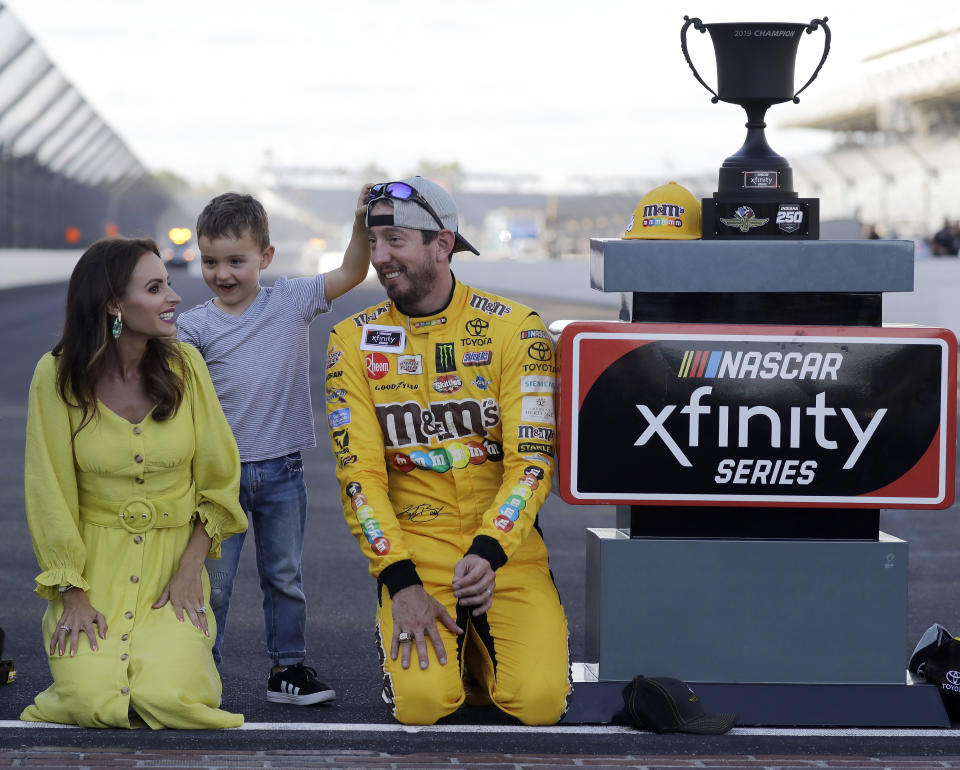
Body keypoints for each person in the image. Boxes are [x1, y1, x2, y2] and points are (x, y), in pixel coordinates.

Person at [325, 177, 570, 725]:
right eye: (374, 241)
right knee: (423, 706)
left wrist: (490, 551)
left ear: (442, 243)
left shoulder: (517, 330)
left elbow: (532, 464)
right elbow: (359, 477)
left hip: (504, 548)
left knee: (539, 703)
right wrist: (400, 581)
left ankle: (480, 654)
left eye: (395, 240)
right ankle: (428, 641)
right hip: (416, 548)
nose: (381, 257)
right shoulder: (351, 340)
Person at [21, 237, 247, 729]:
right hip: (93, 572)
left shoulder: (186, 367)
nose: (175, 297)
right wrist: (72, 594)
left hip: (173, 569)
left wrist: (191, 570)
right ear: (114, 305)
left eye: (167, 284)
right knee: (90, 699)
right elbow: (48, 491)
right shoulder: (55, 375)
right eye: (155, 287)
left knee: (173, 698)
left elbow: (219, 481)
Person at [177, 189, 370, 705]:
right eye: (211, 261)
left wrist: (359, 224)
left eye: (236, 261)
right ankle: (200, 672)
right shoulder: (193, 327)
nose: (223, 273)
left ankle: (287, 669)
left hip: (283, 473)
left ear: (265, 257)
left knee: (284, 577)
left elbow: (352, 272)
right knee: (213, 584)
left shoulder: (290, 300)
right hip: (219, 481)